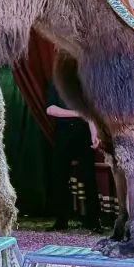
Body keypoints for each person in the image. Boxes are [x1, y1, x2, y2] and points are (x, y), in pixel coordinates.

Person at [44, 81, 101, 232]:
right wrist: (77, 113)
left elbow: (90, 115)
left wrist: (94, 135)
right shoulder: (55, 83)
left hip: (83, 133)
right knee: (59, 177)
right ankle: (61, 220)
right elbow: (50, 109)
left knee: (89, 177)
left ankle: (94, 221)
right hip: (63, 133)